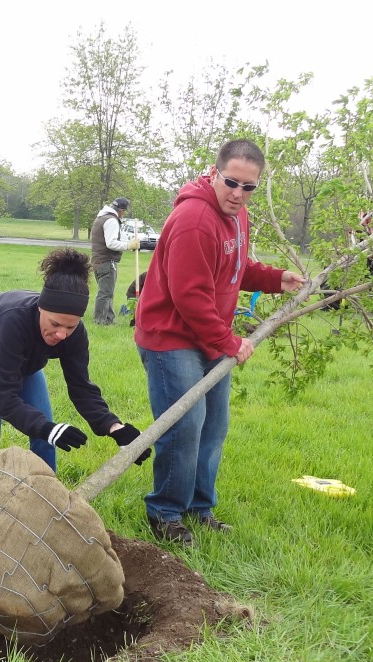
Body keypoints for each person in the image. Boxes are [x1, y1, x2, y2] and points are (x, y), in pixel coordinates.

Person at [134, 139, 305, 544]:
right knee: (186, 425)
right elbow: (189, 296)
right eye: (231, 182)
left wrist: (274, 279)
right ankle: (165, 513)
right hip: (170, 337)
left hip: (208, 336)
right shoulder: (194, 219)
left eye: (248, 187)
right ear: (214, 173)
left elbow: (236, 267)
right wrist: (229, 340)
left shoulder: (237, 216)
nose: (238, 193)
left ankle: (198, 507)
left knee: (213, 427)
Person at [0, 247, 150, 474]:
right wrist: (46, 428)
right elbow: (5, 399)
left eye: (70, 326)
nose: (62, 334)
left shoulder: (76, 335)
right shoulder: (11, 321)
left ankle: (47, 498)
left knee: (45, 429)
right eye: (55, 324)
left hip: (24, 360)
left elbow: (81, 388)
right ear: (40, 309)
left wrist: (115, 427)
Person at [90, 197, 140, 326]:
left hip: (98, 260)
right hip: (106, 261)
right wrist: (129, 246)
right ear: (121, 210)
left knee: (108, 292)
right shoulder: (111, 220)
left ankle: (109, 319)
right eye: (124, 212)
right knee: (105, 293)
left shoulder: (101, 217)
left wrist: (129, 243)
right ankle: (100, 321)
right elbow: (111, 243)